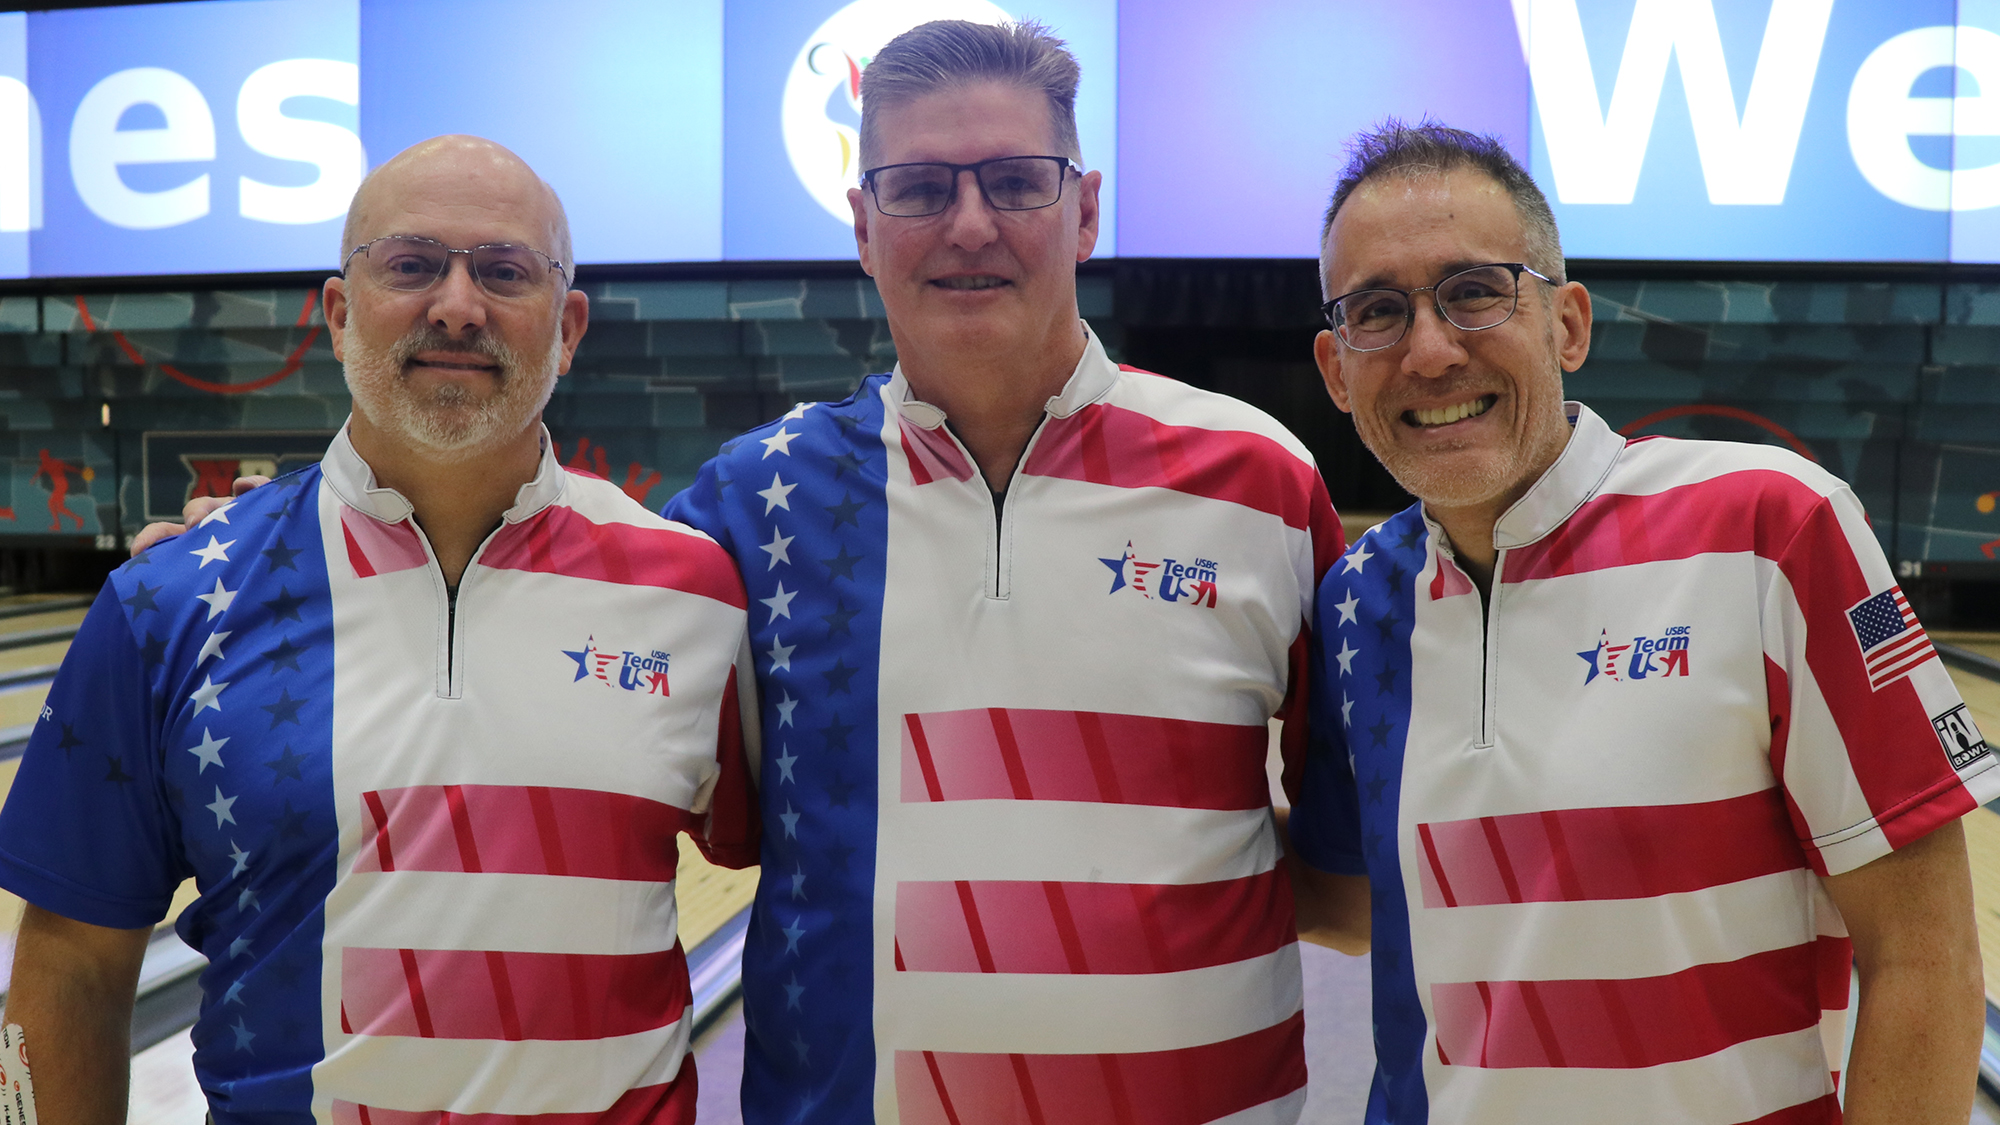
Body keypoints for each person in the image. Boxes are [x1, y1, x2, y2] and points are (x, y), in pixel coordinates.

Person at [659, 20, 1352, 1124]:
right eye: (920, 187)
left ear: (1082, 212)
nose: (969, 223)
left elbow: (1350, 875)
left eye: (1016, 182)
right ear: (861, 224)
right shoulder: (746, 512)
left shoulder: (1261, 480)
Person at [1, 135, 756, 1125]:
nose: (456, 304)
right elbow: (71, 972)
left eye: (503, 272)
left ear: (567, 328)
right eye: (410, 264)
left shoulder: (695, 591)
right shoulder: (170, 603)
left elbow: (810, 883)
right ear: (338, 312)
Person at [1287, 121, 1993, 1125]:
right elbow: (1358, 906)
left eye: (1474, 292)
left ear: (1566, 324)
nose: (1428, 350)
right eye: (1377, 312)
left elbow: (1924, 956)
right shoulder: (1358, 596)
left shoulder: (1769, 528)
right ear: (1333, 368)